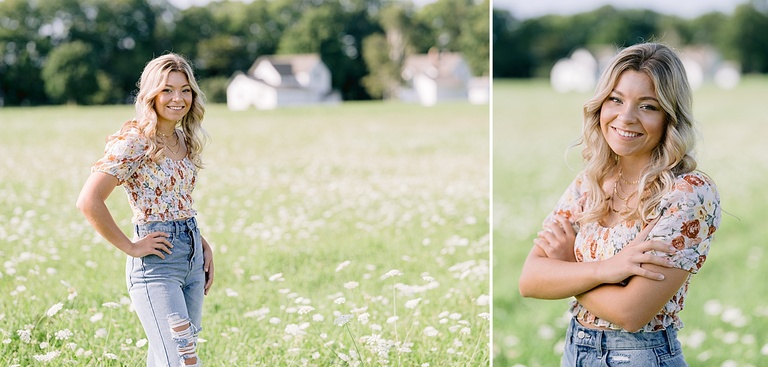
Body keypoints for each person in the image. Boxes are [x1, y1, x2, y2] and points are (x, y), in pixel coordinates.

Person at [518, 43, 721, 366]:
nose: (625, 118)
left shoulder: (688, 194)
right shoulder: (591, 182)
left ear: (670, 116)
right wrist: (604, 270)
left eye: (648, 106)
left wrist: (569, 265)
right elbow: (530, 279)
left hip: (641, 356)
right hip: (574, 352)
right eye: (615, 99)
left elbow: (631, 313)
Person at [77, 53, 214, 367]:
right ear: (151, 94)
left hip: (192, 258)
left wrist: (201, 243)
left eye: (185, 90)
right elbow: (89, 200)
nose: (178, 98)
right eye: (167, 89)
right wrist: (130, 246)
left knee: (167, 357)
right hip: (157, 266)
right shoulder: (136, 141)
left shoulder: (184, 139)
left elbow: (178, 200)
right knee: (181, 360)